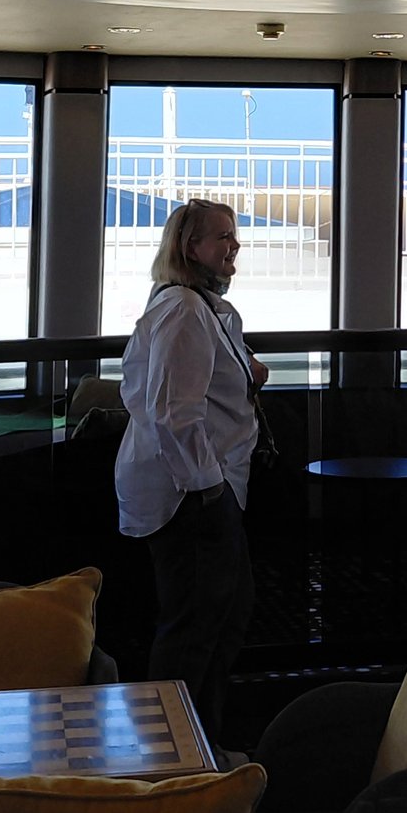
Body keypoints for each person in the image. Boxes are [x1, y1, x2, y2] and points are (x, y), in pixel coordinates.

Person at [116, 199, 267, 748]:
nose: (234, 247)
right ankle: (171, 755)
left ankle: (196, 745)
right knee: (196, 629)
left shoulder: (198, 310)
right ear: (189, 248)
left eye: (234, 236)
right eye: (222, 237)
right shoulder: (183, 310)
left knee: (220, 618)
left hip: (203, 489)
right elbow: (173, 412)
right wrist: (210, 492)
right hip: (193, 495)